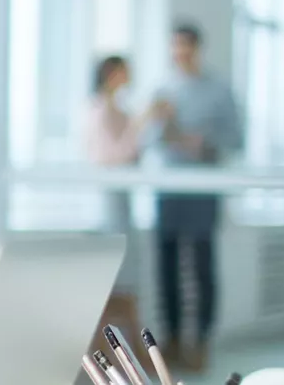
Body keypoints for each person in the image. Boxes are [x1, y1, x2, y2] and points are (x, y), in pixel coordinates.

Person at [145, 23, 243, 373]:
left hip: (203, 188)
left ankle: (200, 341)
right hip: (169, 188)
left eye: (185, 47)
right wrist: (162, 125)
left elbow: (236, 138)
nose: (179, 54)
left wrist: (202, 142)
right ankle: (171, 341)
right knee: (167, 265)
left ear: (197, 48)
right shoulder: (162, 89)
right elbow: (149, 139)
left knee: (201, 267)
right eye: (174, 48)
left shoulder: (218, 89)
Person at [84, 55, 167, 375]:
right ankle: (121, 359)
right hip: (107, 204)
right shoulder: (98, 110)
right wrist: (141, 122)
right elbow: (114, 157)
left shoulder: (119, 111)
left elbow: (134, 153)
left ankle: (135, 358)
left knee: (127, 282)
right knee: (115, 284)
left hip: (123, 204)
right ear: (110, 74)